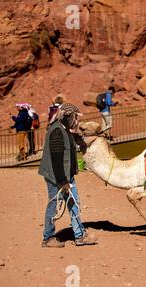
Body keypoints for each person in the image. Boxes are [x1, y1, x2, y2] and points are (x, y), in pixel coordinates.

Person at [38, 103, 98, 247]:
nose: (75, 119)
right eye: (74, 116)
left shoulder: (64, 130)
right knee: (54, 206)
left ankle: (79, 235)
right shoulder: (57, 132)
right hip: (57, 178)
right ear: (67, 116)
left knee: (73, 203)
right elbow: (56, 158)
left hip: (65, 177)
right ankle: (48, 238)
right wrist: (62, 181)